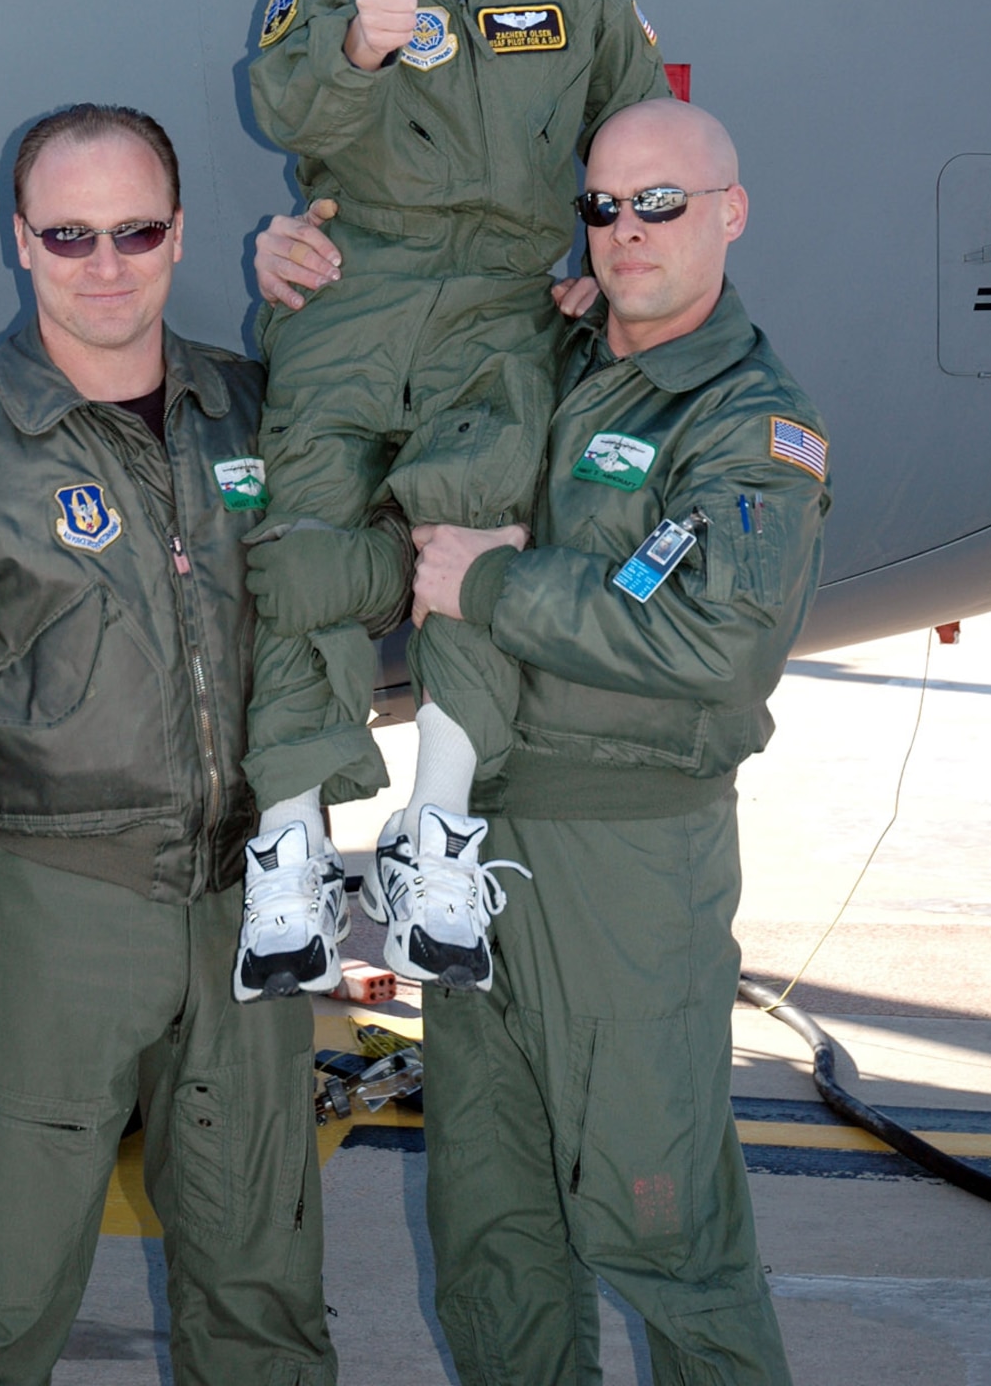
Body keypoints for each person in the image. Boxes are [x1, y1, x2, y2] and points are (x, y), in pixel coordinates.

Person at [253, 96, 830, 1385]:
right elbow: (374, 383)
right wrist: (291, 275)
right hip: (477, 846)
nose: (626, 230)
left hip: (628, 863)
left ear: (729, 213)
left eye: (661, 203)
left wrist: (501, 586)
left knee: (662, 1224)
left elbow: (718, 637)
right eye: (604, 205)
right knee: (494, 1233)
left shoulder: (744, 418)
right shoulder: (554, 347)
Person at [0, 105, 336, 1386]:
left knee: (264, 1295)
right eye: (69, 232)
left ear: (176, 235)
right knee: (1, 1303)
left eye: (136, 229)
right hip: (52, 917)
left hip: (246, 910)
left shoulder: (254, 412)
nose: (106, 262)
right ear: (21, 241)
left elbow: (370, 551)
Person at [236, 0, 670, 1003]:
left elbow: (631, 117)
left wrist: (608, 245)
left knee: (474, 535)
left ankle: (436, 827)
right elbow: (282, 106)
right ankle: (291, 845)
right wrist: (360, 42)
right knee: (300, 528)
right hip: (351, 281)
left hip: (503, 299)